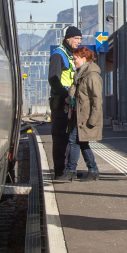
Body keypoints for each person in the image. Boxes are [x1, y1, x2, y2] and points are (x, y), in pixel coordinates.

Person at [49, 26, 83, 180]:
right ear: (68, 38)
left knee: (70, 137)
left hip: (69, 102)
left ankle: (69, 170)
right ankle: (60, 171)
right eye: (76, 38)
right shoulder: (59, 54)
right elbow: (53, 79)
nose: (79, 41)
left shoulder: (70, 55)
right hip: (61, 102)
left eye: (80, 39)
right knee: (61, 137)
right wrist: (64, 96)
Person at [64, 46, 103, 181]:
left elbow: (97, 99)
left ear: (84, 58)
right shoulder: (80, 75)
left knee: (74, 141)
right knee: (82, 142)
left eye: (75, 58)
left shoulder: (92, 76)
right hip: (78, 115)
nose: (73, 61)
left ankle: (71, 170)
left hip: (85, 117)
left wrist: (93, 119)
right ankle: (93, 170)